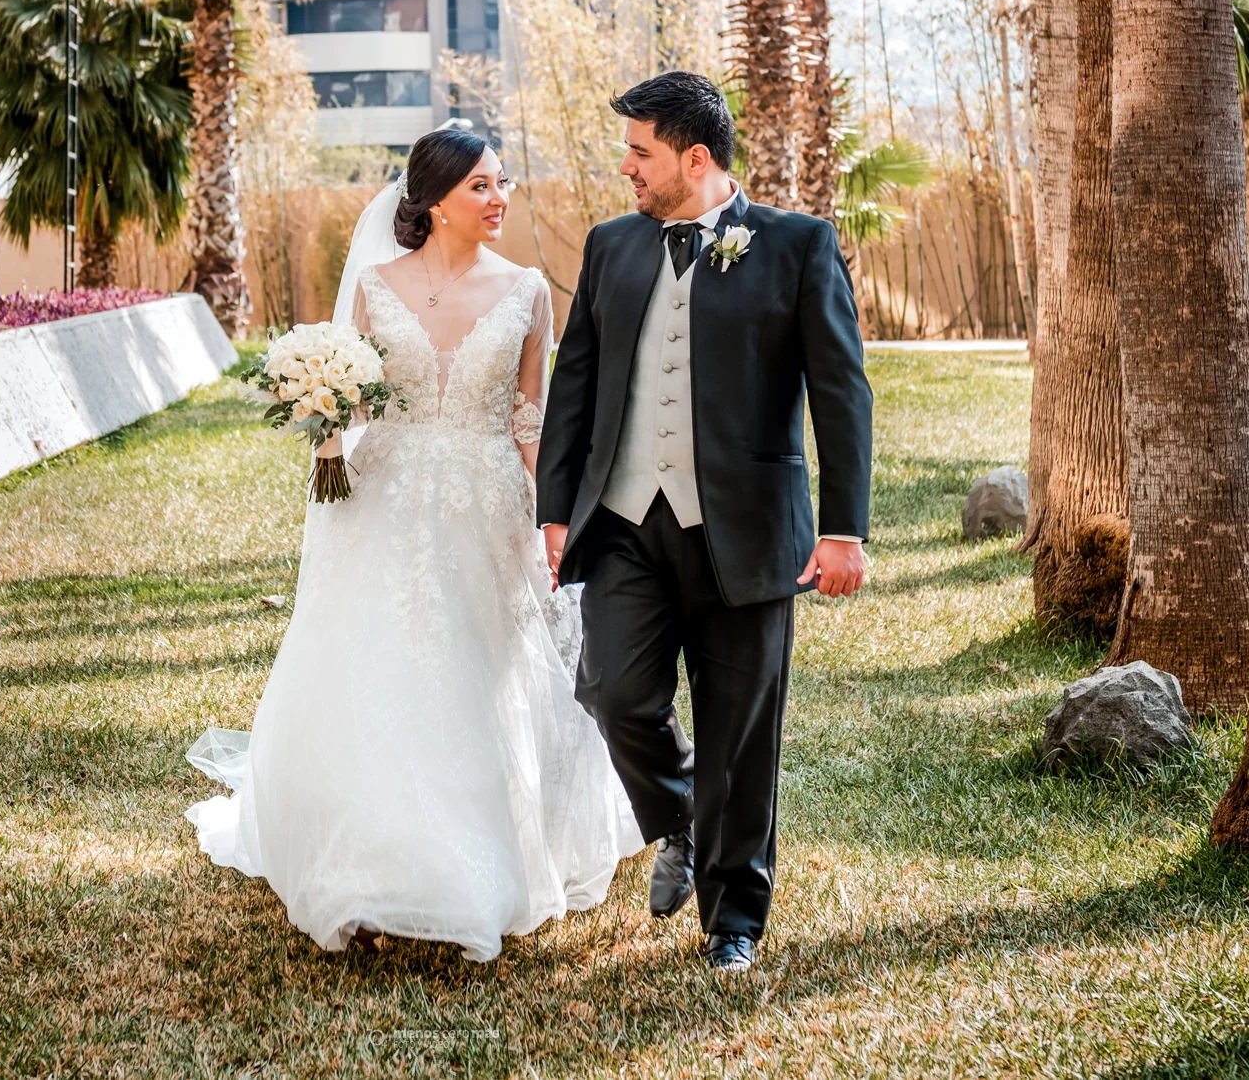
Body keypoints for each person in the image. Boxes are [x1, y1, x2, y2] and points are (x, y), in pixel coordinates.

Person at [184, 127, 643, 961]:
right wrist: (320, 417)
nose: (500, 199)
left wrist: (555, 519)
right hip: (382, 506)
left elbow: (528, 420)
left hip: (486, 506)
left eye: (502, 184)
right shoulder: (373, 284)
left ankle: (474, 865)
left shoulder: (530, 290)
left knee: (478, 674)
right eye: (481, 187)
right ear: (433, 201)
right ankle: (370, 866)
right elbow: (356, 403)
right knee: (380, 670)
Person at [537, 71, 874, 972]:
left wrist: (844, 529)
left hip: (749, 529)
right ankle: (679, 819)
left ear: (696, 158)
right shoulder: (611, 246)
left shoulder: (799, 246)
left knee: (741, 730)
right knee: (611, 690)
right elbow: (576, 383)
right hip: (622, 521)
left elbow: (841, 394)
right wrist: (556, 509)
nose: (626, 169)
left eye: (639, 152)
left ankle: (733, 921)